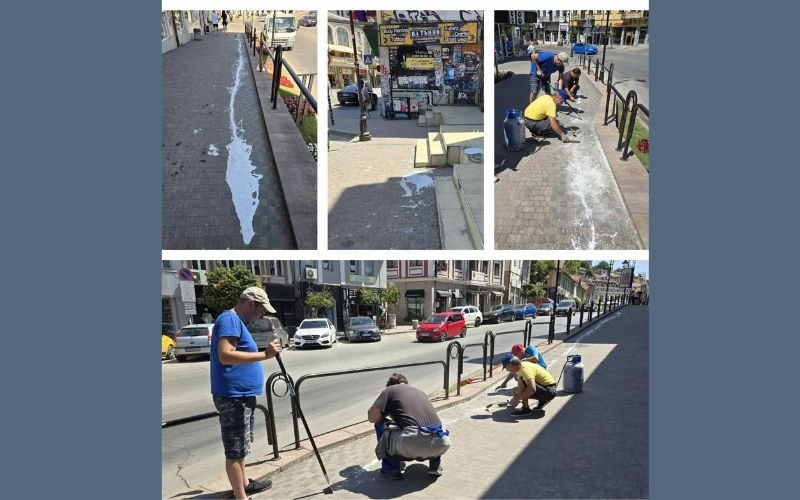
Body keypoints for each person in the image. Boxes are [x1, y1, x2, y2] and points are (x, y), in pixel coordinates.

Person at [210, 287, 282, 499]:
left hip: (240, 395)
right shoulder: (229, 320)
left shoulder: (236, 322)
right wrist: (265, 355)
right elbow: (226, 355)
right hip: (233, 396)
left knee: (241, 447)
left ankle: (243, 484)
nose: (262, 316)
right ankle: (241, 496)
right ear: (251, 303)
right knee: (235, 450)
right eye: (261, 311)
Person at [368, 373, 451, 480]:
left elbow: (373, 418)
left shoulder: (389, 390)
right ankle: (435, 466)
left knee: (380, 425)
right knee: (431, 428)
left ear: (390, 385)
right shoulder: (420, 392)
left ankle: (391, 469)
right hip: (442, 443)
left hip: (412, 442)